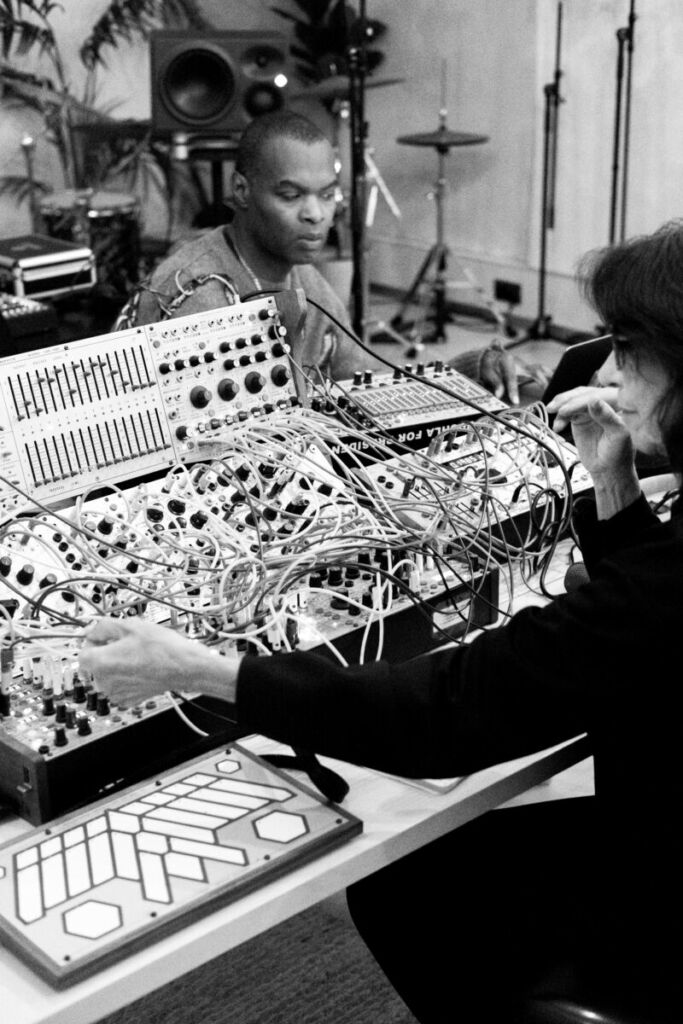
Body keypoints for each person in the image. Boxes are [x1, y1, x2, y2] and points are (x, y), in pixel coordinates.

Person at [80, 220, 683, 1023]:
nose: (605, 371)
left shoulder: (660, 590)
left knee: (401, 882)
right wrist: (612, 484)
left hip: (662, 913)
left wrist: (200, 670)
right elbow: (635, 637)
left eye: (629, 351)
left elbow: (440, 717)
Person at [127, 110, 521, 400]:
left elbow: (371, 383)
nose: (316, 214)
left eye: (328, 195)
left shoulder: (306, 281)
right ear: (242, 191)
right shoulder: (197, 295)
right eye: (291, 195)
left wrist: (473, 370)